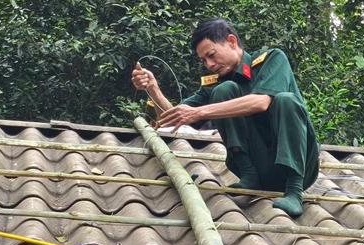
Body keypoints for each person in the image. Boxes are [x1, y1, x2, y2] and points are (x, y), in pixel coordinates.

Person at [131, 18, 320, 218]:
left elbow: (261, 102)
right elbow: (176, 116)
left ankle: (294, 191)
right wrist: (152, 88)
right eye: (204, 60)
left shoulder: (272, 59)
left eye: (211, 55)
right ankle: (249, 174)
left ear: (231, 41)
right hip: (261, 168)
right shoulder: (217, 84)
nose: (209, 64)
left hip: (301, 169)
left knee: (285, 100)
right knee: (224, 90)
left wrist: (201, 112)